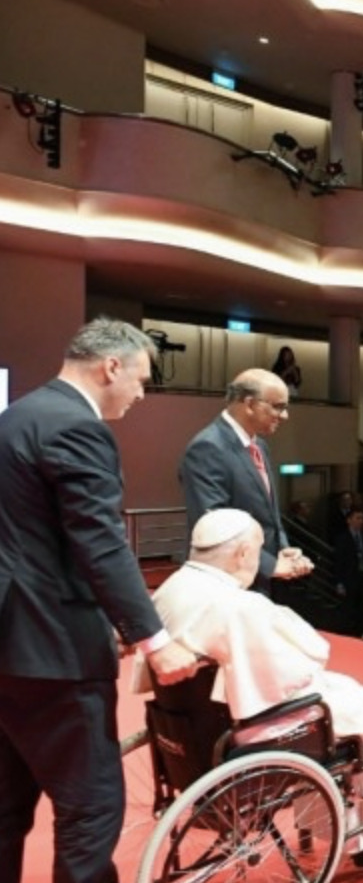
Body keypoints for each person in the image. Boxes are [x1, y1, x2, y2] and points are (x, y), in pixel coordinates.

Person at [0, 318, 201, 883]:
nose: (141, 393)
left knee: (7, 807)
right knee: (91, 807)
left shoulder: (15, 417)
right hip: (54, 648)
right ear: (111, 366)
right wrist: (154, 639)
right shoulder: (76, 428)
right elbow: (101, 542)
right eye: (141, 379)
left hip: (8, 645)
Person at [141, 509, 363, 803]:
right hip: (254, 727)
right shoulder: (241, 606)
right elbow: (308, 660)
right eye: (258, 552)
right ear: (243, 554)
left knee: (345, 689)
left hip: (190, 724)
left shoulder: (168, 590)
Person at [179, 368, 314, 597]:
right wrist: (270, 565)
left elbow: (270, 514)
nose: (284, 416)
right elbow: (214, 524)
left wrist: (283, 550)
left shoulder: (259, 445)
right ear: (250, 404)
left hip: (259, 578)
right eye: (278, 406)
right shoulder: (207, 447)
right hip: (227, 582)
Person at [332, 507, 363, 636]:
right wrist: (339, 582)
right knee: (349, 608)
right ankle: (349, 633)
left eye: (362, 518)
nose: (360, 521)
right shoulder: (342, 539)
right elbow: (339, 561)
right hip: (349, 578)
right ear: (349, 520)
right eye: (357, 518)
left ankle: (360, 632)